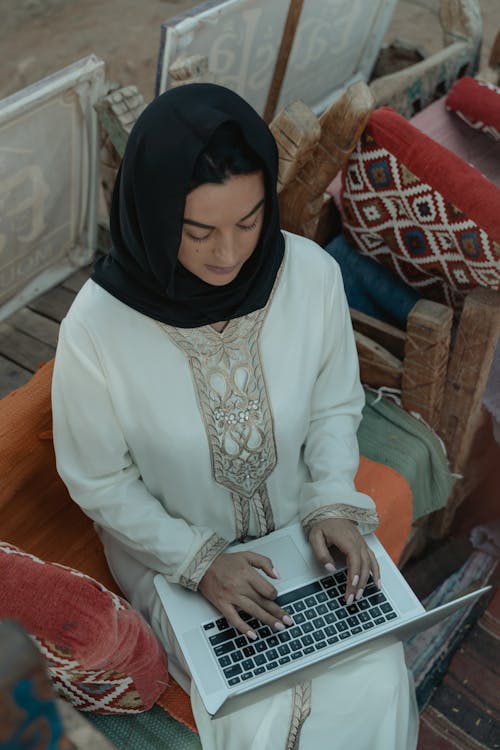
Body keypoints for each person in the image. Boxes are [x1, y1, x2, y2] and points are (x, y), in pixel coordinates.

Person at [51, 83, 418, 749]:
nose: (228, 254)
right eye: (199, 232)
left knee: (376, 676)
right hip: (174, 559)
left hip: (299, 541)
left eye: (248, 223)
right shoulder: (97, 330)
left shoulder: (308, 278)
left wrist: (331, 500)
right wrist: (199, 561)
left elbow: (336, 405)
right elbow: (98, 482)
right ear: (154, 217)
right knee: (261, 713)